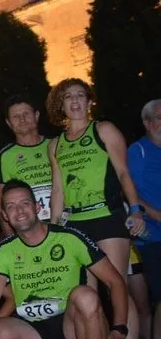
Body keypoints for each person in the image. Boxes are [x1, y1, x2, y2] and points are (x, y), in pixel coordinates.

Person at [47, 78, 143, 336]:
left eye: (80, 95)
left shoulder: (104, 130)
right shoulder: (55, 145)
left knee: (117, 288)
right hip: (75, 224)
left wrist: (135, 209)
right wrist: (53, 230)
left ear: (89, 101)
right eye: (68, 97)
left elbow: (123, 173)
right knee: (86, 295)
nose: (75, 101)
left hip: (107, 217)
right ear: (61, 105)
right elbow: (58, 190)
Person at [0, 180, 129, 339]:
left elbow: (115, 281)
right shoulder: (4, 250)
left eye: (25, 203)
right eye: (11, 206)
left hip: (71, 322)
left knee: (86, 296)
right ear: (5, 215)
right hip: (31, 327)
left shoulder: (69, 238)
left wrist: (119, 329)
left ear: (37, 207)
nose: (19, 211)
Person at [0, 96, 52, 235]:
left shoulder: (55, 145)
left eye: (26, 114)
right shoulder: (5, 156)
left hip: (63, 223)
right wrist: (11, 238)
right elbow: (1, 201)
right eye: (16, 116)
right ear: (9, 123)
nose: (22, 119)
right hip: (28, 228)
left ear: (36, 115)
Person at [127, 98, 161, 338]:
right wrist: (157, 215)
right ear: (148, 123)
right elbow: (131, 193)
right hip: (152, 237)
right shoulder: (137, 151)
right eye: (160, 118)